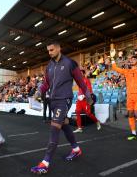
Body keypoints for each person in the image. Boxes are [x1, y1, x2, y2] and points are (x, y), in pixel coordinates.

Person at [31, 41, 94, 175]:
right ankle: (76, 149)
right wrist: (38, 92)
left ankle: (45, 163)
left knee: (54, 129)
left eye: (52, 50)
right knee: (64, 125)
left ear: (59, 48)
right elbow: (46, 84)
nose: (50, 52)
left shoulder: (70, 63)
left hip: (64, 100)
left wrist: (88, 96)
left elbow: (80, 82)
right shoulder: (49, 66)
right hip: (53, 101)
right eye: (48, 50)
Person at [110, 49, 137, 140]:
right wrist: (112, 58)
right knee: (130, 114)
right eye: (131, 59)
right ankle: (133, 133)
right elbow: (115, 68)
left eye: (134, 59)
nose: (131, 60)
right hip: (130, 96)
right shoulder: (126, 71)